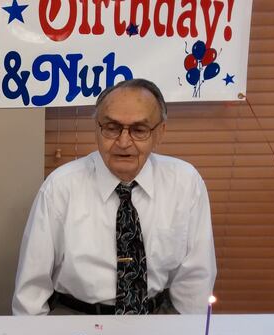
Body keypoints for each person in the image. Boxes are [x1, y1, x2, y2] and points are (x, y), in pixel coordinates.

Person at [12, 79, 215, 315]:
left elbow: (195, 279)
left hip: (156, 316)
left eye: (139, 130)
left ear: (160, 132)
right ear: (97, 129)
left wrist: (190, 334)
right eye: (111, 127)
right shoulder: (60, 187)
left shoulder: (185, 183)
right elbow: (32, 290)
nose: (123, 142)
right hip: (75, 317)